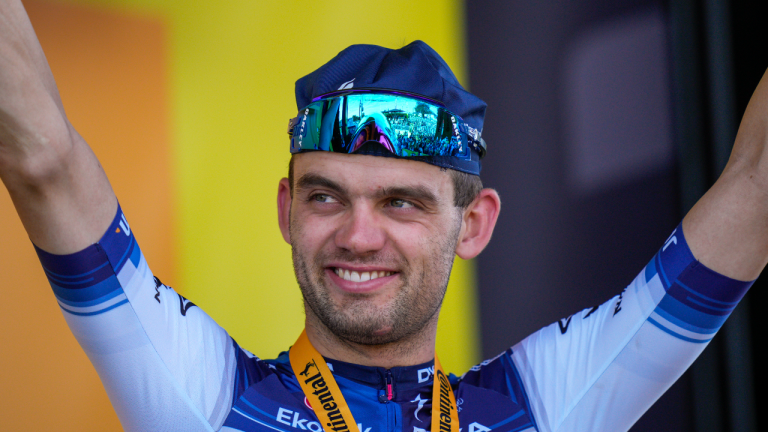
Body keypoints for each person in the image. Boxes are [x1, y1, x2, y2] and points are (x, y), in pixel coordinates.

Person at [1, 1, 764, 431]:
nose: (358, 236)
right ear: (286, 210)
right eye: (325, 196)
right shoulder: (206, 397)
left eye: (402, 202)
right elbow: (41, 159)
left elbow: (757, 185)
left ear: (474, 224)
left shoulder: (537, 407)